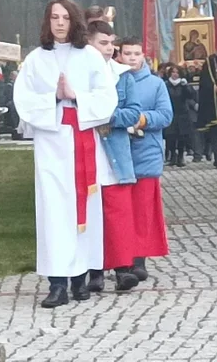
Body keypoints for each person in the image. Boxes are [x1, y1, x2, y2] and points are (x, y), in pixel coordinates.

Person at [13, 0, 118, 308]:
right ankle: (57, 282)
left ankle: (80, 279)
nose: (59, 23)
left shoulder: (89, 57)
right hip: (52, 145)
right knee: (55, 212)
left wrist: (76, 95)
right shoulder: (35, 59)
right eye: (53, 17)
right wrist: (54, 98)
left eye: (65, 18)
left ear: (74, 22)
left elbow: (106, 97)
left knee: (85, 209)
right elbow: (24, 100)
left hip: (83, 141)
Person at [84, 21, 143, 293]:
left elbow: (133, 112)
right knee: (90, 213)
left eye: (111, 44)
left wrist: (108, 117)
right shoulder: (79, 73)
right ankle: (93, 270)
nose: (109, 49)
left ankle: (122, 268)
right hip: (86, 150)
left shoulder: (123, 76)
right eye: (102, 43)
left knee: (117, 213)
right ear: (88, 44)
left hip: (115, 153)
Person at [118, 37, 174, 283]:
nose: (132, 57)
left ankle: (139, 259)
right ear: (119, 55)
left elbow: (165, 115)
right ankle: (122, 259)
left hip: (145, 151)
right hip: (119, 152)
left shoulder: (155, 84)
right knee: (121, 210)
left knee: (141, 210)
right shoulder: (112, 80)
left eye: (136, 53)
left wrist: (141, 119)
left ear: (143, 56)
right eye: (127, 53)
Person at [164, 64, 197, 168]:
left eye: (177, 72)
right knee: (171, 136)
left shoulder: (183, 85)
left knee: (182, 136)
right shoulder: (166, 84)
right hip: (171, 113)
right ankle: (172, 156)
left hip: (182, 113)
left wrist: (186, 86)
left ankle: (181, 156)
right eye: (173, 72)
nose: (175, 74)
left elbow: (191, 96)